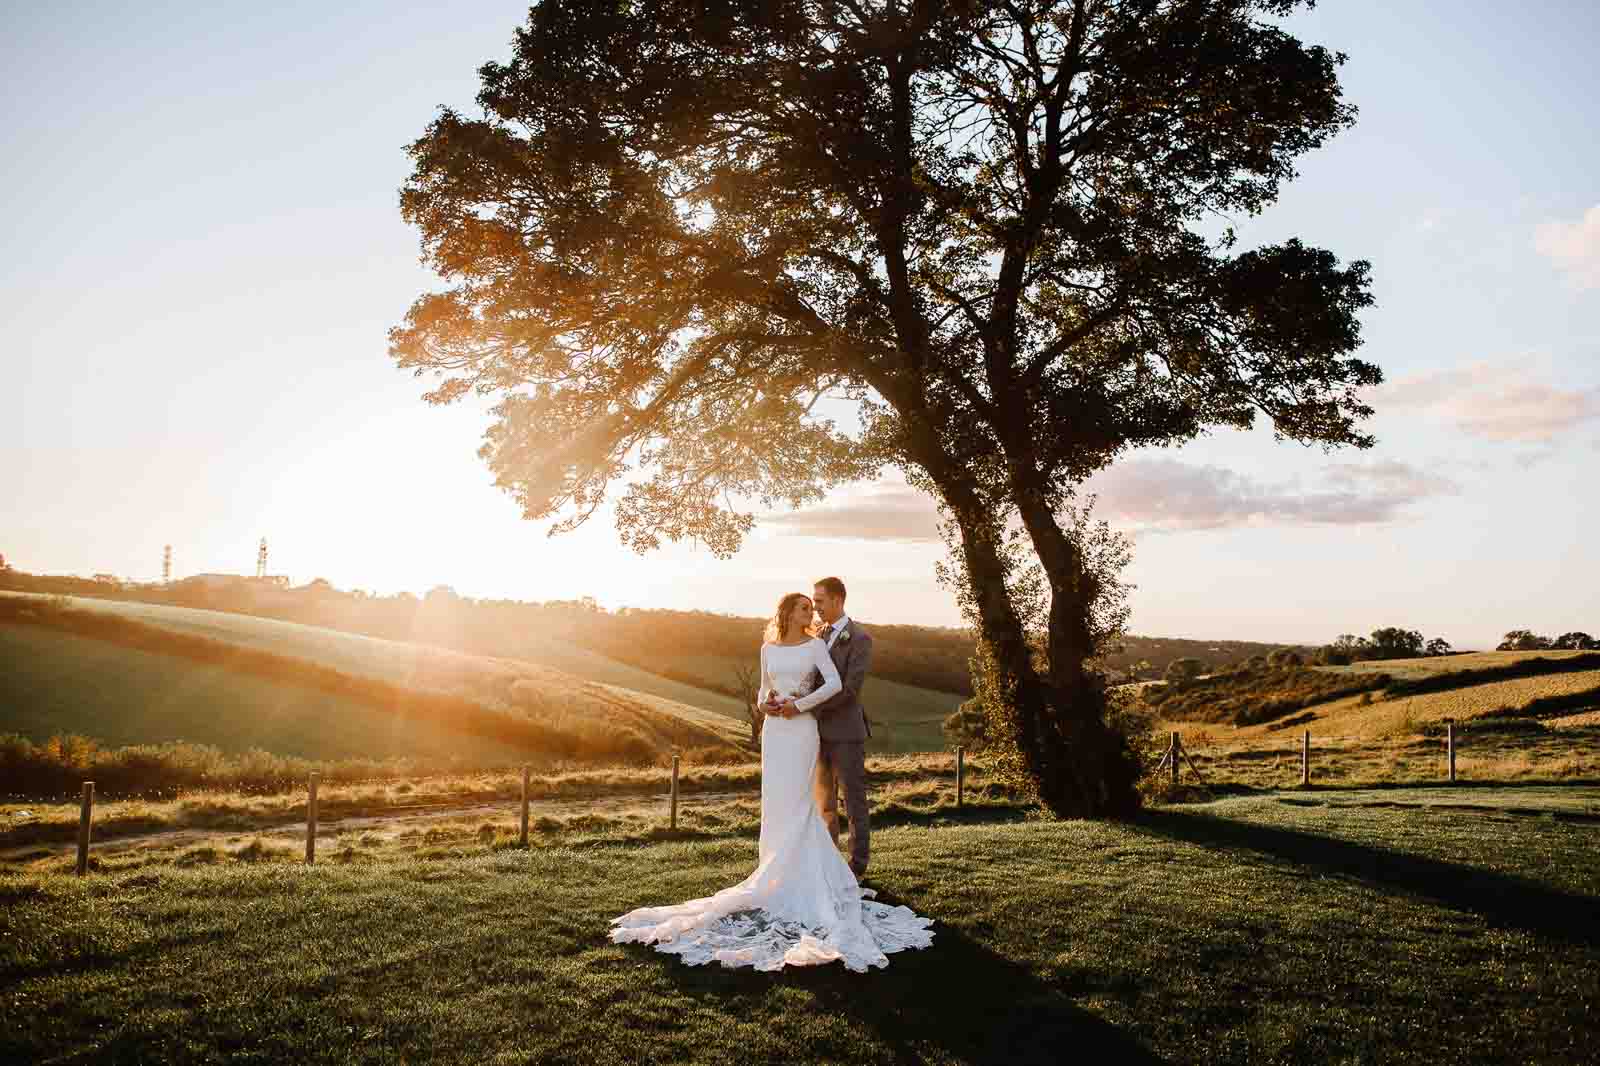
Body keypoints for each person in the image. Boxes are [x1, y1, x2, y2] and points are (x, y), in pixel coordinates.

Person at [608, 591, 933, 972]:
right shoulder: (768, 649)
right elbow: (763, 689)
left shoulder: (815, 646)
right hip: (775, 731)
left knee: (800, 801)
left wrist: (799, 704)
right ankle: (773, 873)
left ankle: (807, 875)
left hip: (802, 728)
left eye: (813, 607)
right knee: (776, 802)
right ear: (788, 613)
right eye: (805, 608)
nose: (811, 612)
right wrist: (765, 705)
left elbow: (833, 684)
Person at [801, 576, 874, 877]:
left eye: (819, 601)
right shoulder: (816, 635)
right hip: (816, 734)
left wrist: (809, 707)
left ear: (837, 600)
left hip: (846, 732)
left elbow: (850, 689)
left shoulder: (859, 638)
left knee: (853, 801)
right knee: (824, 802)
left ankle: (857, 865)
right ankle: (830, 862)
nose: (815, 607)